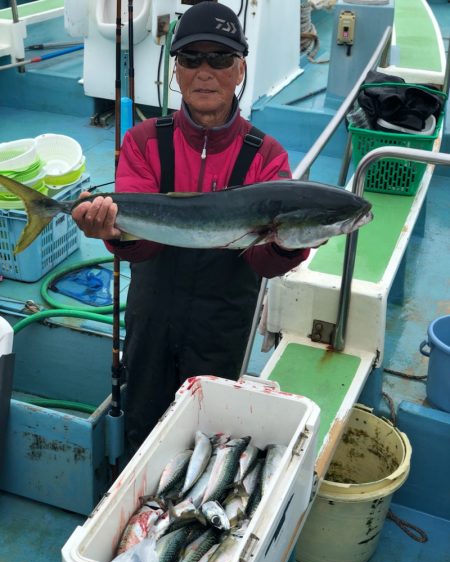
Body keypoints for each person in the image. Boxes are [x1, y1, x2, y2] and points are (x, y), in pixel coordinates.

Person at [72, 1, 312, 451]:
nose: (205, 71)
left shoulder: (267, 157)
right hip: (152, 310)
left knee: (210, 433)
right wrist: (112, 232)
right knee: (143, 423)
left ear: (240, 69)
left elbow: (263, 264)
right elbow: (143, 248)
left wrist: (290, 244)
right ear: (176, 72)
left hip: (224, 320)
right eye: (191, 59)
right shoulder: (144, 142)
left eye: (220, 59)